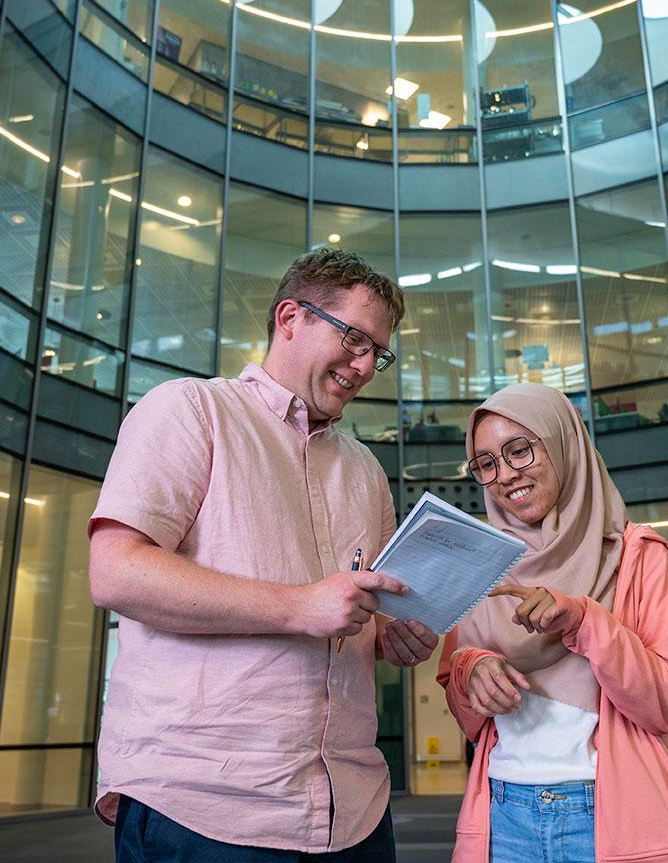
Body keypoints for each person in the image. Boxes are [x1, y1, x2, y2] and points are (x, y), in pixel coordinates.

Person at [89, 249, 439, 862]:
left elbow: (356, 611)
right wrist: (297, 607)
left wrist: (389, 634)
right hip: (205, 805)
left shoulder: (364, 470)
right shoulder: (190, 410)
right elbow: (116, 573)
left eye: (377, 354)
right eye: (354, 339)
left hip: (353, 808)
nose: (363, 367)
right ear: (289, 318)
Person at [438, 383, 668, 862]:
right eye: (487, 464)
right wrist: (471, 670)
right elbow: (469, 718)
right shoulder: (480, 566)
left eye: (519, 450)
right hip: (504, 813)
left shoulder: (638, 557)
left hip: (610, 816)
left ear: (564, 443)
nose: (505, 476)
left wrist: (585, 621)